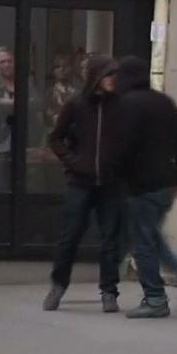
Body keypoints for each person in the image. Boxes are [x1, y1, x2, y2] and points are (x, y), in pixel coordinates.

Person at [115, 56, 177, 319]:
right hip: (166, 183)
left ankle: (155, 298)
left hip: (141, 184)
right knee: (152, 235)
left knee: (144, 242)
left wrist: (118, 176)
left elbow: (123, 146)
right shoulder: (164, 102)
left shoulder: (127, 105)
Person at [42, 55, 124, 313]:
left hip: (110, 183)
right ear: (97, 78)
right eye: (109, 75)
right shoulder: (76, 105)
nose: (113, 80)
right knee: (71, 236)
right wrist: (72, 161)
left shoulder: (120, 107)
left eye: (115, 75)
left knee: (110, 238)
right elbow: (55, 138)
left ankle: (109, 292)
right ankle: (58, 285)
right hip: (80, 181)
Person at [44, 52, 80, 130]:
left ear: (71, 68)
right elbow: (44, 115)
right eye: (58, 67)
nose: (62, 70)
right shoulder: (49, 92)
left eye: (65, 66)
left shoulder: (77, 93)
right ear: (54, 70)